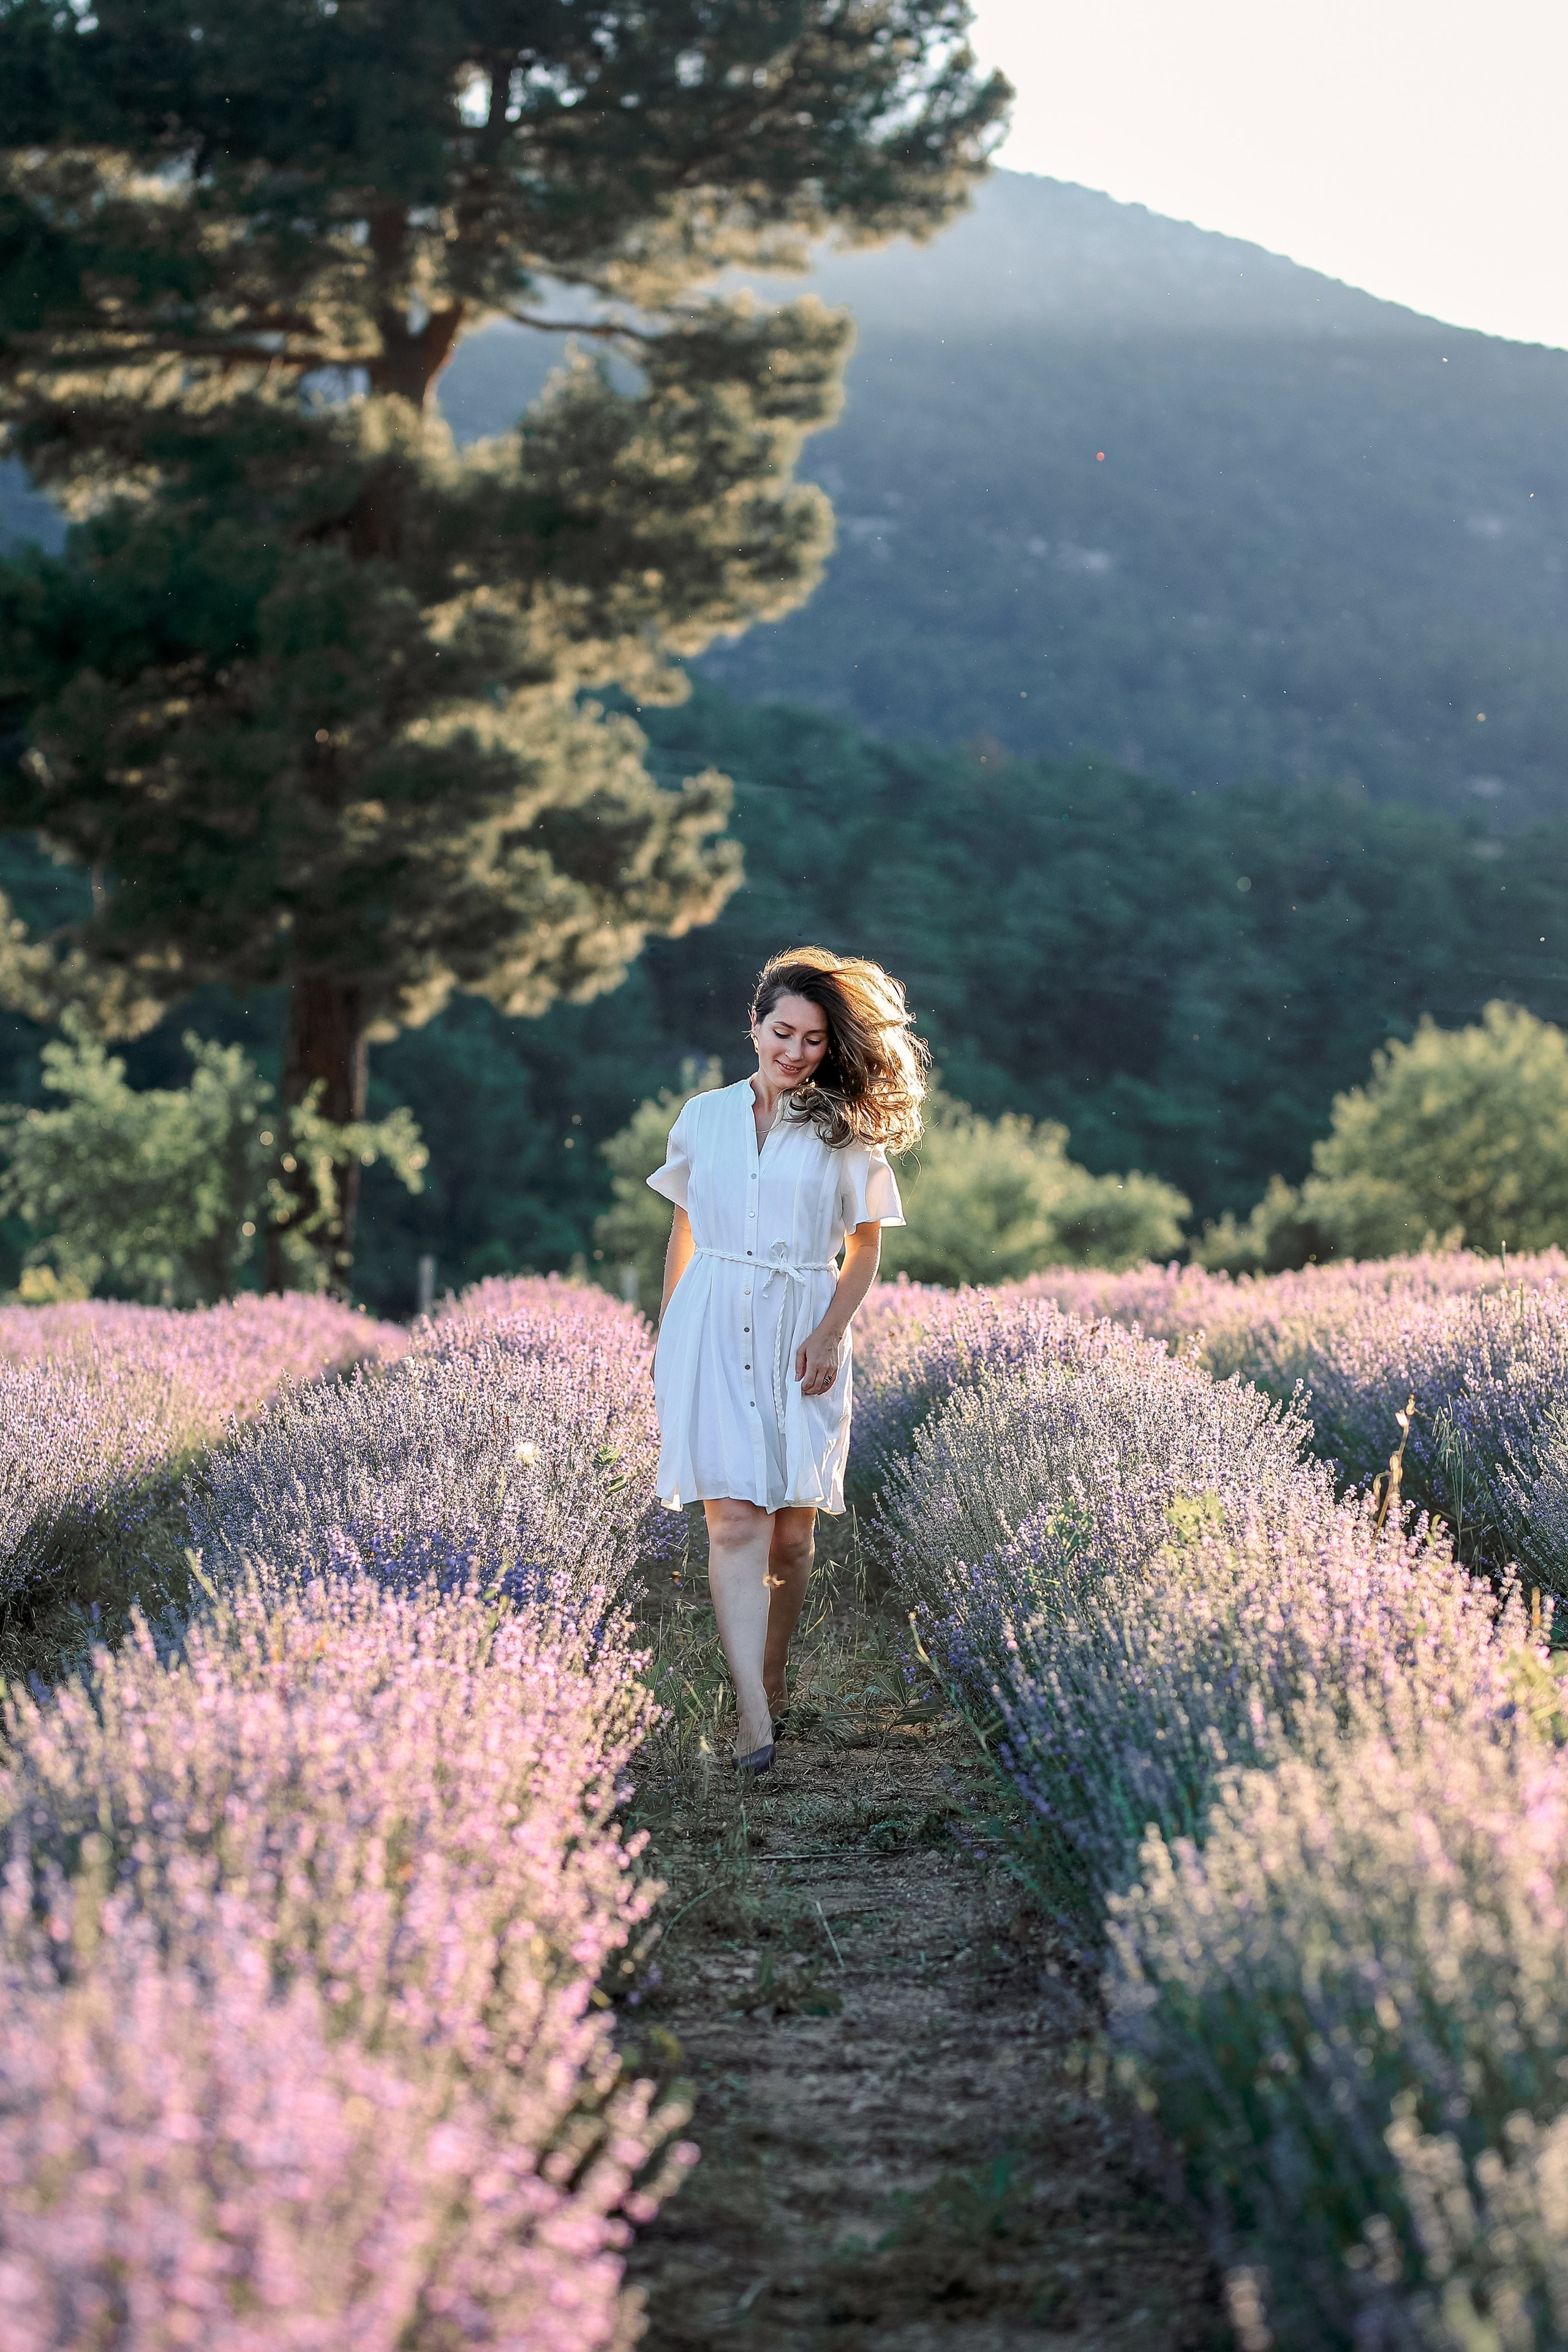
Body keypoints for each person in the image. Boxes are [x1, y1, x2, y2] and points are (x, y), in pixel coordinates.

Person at [648, 946, 927, 1774]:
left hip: (805, 1322)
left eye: (813, 1040)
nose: (796, 1052)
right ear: (755, 1026)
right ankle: (752, 1712)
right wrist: (670, 1334)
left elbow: (865, 1248)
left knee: (792, 1538)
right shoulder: (703, 1117)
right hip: (713, 1319)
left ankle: (770, 1674)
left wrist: (832, 1332)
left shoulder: (844, 1129)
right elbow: (684, 1227)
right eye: (783, 1033)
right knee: (735, 1520)